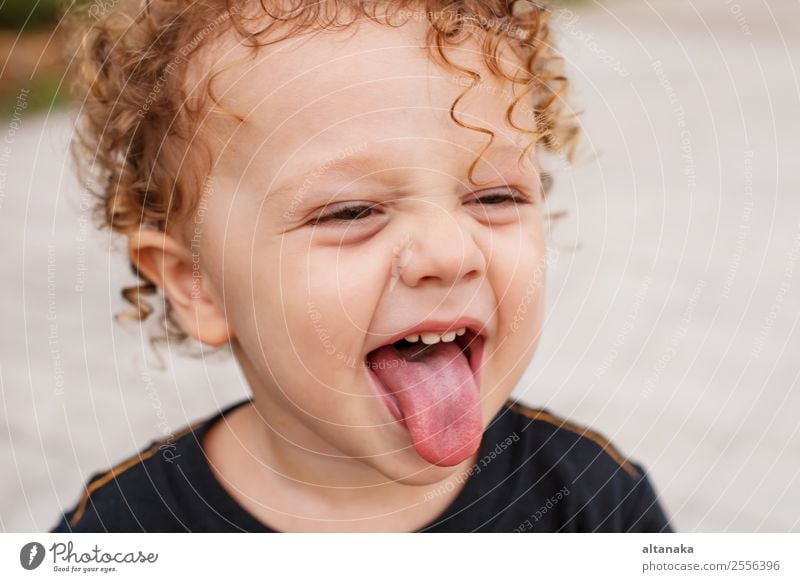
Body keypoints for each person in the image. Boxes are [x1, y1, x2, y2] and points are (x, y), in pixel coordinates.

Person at [51, 0, 672, 533]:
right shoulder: (123, 530)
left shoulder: (592, 506)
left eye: (495, 198)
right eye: (350, 211)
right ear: (198, 285)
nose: (449, 253)